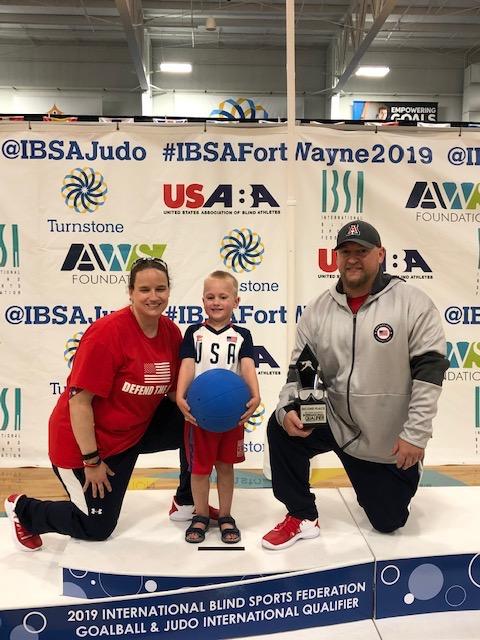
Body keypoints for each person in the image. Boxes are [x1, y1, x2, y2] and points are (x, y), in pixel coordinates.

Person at [4, 257, 217, 552]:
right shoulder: (107, 335)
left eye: (160, 288)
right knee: (95, 527)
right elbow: (79, 403)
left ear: (169, 291)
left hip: (133, 432)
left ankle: (186, 500)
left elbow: (171, 391)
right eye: (144, 289)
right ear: (130, 292)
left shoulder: (169, 332)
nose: (153, 297)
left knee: (195, 420)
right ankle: (24, 510)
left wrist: (214, 405)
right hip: (86, 444)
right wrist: (91, 462)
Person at [262, 220, 449, 550]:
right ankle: (302, 514)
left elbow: (429, 372)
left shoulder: (413, 303)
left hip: (385, 440)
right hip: (336, 421)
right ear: (336, 258)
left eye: (361, 251)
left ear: (380, 255)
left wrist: (415, 434)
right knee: (282, 426)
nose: (352, 259)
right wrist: (288, 407)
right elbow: (301, 370)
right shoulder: (319, 310)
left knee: (388, 522)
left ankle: (404, 472)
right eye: (345, 251)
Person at [176, 271, 260, 544]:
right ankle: (200, 514)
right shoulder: (194, 333)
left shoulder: (242, 335)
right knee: (199, 469)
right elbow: (187, 365)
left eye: (223, 297)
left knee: (225, 466)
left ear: (235, 301)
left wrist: (256, 395)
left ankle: (225, 515)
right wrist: (180, 396)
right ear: (202, 301)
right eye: (210, 297)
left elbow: (247, 366)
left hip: (230, 417)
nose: (216, 302)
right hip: (199, 416)